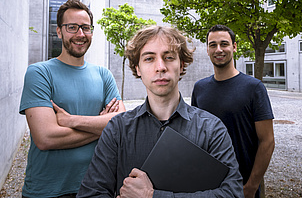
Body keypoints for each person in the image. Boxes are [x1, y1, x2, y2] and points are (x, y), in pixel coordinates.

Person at [77, 25, 244, 198]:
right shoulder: (117, 129)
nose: (160, 67)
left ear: (182, 64)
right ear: (137, 69)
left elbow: (233, 193)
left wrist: (151, 196)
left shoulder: (212, 129)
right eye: (149, 58)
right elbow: (91, 194)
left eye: (169, 57)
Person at [19, 0, 126, 198]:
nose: (80, 34)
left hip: (97, 186)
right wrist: (101, 128)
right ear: (59, 31)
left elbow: (121, 124)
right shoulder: (39, 73)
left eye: (85, 28)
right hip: (47, 191)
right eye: (72, 27)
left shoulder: (104, 75)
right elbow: (45, 138)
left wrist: (72, 121)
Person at [191, 25, 275, 198]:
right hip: (207, 185)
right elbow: (195, 136)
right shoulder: (199, 88)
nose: (218, 49)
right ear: (207, 49)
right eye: (213, 45)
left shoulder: (254, 88)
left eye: (224, 44)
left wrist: (251, 186)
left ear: (234, 47)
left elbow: (267, 141)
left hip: (242, 186)